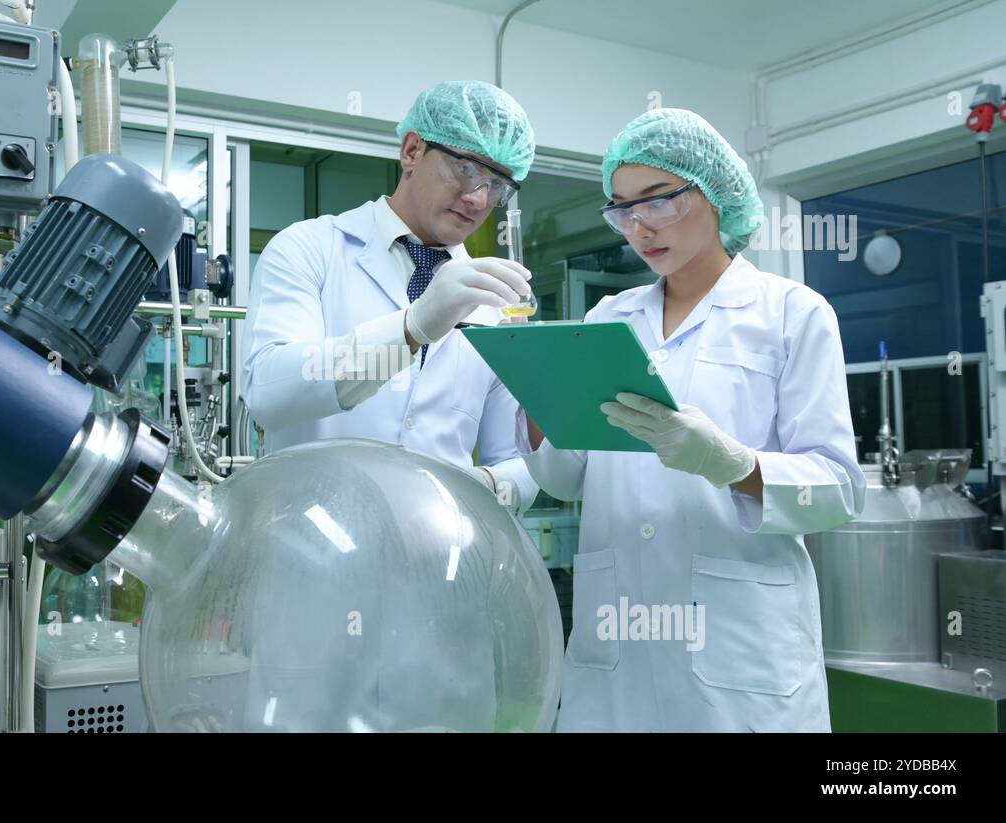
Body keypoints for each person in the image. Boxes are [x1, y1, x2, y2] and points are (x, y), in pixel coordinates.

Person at [520, 108, 865, 731]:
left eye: (658, 200)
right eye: (623, 209)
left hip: (740, 654)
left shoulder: (792, 313)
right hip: (616, 648)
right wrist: (535, 390)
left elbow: (837, 489)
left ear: (714, 193)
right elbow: (566, 477)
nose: (639, 227)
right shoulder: (607, 319)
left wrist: (731, 463)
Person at [243, 81, 540, 513]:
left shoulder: (493, 304)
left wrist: (489, 485)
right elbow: (268, 393)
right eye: (466, 169)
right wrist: (409, 330)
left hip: (437, 544)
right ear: (412, 151)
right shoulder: (310, 249)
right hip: (311, 536)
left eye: (497, 185)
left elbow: (515, 457)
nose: (478, 198)